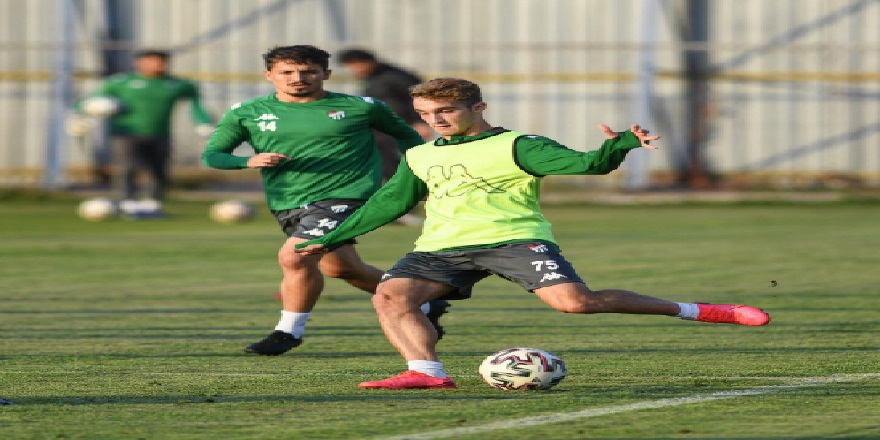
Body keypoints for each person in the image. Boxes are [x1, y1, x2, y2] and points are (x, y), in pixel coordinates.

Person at [295, 77, 771, 389]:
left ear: (478, 107)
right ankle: (426, 371)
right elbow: (391, 202)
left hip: (514, 239)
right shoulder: (421, 154)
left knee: (576, 304)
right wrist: (333, 236)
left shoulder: (518, 145)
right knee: (390, 295)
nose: (436, 119)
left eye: (446, 110)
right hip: (441, 246)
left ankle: (701, 310)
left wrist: (621, 145)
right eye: (426, 112)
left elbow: (587, 165)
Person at [200, 45, 450, 356]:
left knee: (295, 256)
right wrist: (246, 161)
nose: (298, 78)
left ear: (326, 74)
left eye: (308, 71)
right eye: (287, 72)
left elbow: (408, 138)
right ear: (269, 75)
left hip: (346, 195)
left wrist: (423, 176)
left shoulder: (361, 107)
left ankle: (288, 331)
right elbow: (213, 155)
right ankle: (424, 302)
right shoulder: (246, 112)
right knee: (343, 269)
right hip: (287, 200)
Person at [71, 50, 214, 218]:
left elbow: (196, 104)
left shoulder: (178, 84)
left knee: (158, 170)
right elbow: (87, 102)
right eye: (152, 61)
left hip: (160, 133)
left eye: (161, 62)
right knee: (127, 168)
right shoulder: (121, 83)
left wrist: (204, 123)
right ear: (139, 63)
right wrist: (80, 114)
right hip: (126, 134)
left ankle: (153, 204)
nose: (157, 65)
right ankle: (128, 203)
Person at [338, 48, 431, 226]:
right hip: (380, 129)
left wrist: (420, 121)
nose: (355, 70)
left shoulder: (398, 77)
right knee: (385, 166)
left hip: (400, 127)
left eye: (356, 65)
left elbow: (421, 99)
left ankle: (409, 207)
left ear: (369, 61)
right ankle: (398, 208)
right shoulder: (371, 78)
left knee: (401, 167)